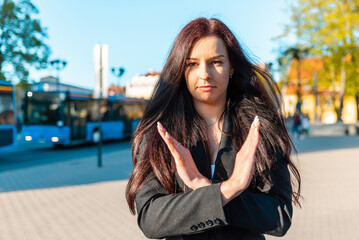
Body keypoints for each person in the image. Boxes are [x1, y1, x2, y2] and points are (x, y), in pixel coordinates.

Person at [126, 17, 301, 240]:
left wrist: (204, 188)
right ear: (181, 69)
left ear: (231, 68)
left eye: (216, 62)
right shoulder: (159, 133)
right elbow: (151, 219)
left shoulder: (259, 128)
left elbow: (279, 216)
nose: (205, 74)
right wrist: (229, 188)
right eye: (192, 64)